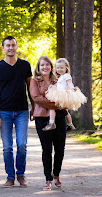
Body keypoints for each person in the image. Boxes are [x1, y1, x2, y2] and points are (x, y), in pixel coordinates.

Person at [0, 36, 33, 187]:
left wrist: (33, 107)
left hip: (22, 111)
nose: (10, 48)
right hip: (4, 112)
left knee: (22, 144)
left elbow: (30, 88)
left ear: (16, 47)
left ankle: (20, 175)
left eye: (13, 45)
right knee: (7, 147)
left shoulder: (25, 65)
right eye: (7, 45)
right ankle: (10, 177)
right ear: (3, 48)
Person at [29, 56, 67, 190]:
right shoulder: (34, 81)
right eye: (42, 65)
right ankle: (48, 179)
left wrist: (62, 103)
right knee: (46, 149)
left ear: (51, 67)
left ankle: (56, 174)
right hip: (42, 118)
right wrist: (56, 104)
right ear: (38, 68)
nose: (45, 67)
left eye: (47, 65)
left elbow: (65, 96)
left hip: (59, 117)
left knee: (60, 148)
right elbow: (36, 98)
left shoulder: (57, 81)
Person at [43, 58, 87, 131]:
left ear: (66, 68)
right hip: (60, 94)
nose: (59, 69)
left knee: (52, 107)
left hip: (63, 95)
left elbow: (70, 83)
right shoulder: (61, 76)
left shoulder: (67, 75)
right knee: (65, 111)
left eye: (61, 68)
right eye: (58, 68)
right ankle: (70, 124)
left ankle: (52, 123)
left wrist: (72, 88)